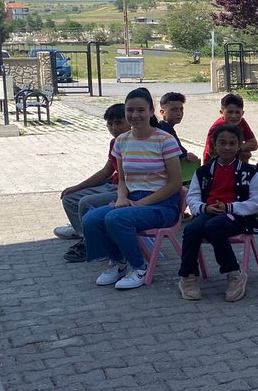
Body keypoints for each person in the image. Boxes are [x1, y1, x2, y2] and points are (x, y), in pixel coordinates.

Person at [82, 87, 184, 290]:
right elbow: (122, 180)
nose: (135, 115)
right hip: (132, 201)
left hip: (163, 205)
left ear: (151, 111)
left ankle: (139, 267)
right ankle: (119, 262)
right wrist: (121, 198)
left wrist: (139, 203)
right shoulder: (121, 141)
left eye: (140, 110)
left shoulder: (165, 140)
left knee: (116, 218)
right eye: (130, 110)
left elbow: (175, 184)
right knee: (91, 219)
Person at [178, 124, 258, 303]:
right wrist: (204, 208)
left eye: (232, 143)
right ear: (213, 145)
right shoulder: (202, 172)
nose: (227, 147)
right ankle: (188, 275)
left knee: (214, 226)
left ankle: (234, 273)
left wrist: (230, 207)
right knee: (192, 229)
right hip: (208, 212)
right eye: (222, 143)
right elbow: (192, 197)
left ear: (239, 145)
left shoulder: (249, 172)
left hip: (237, 216)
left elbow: (257, 201)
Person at [54, 103, 130, 262]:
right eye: (110, 124)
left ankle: (91, 244)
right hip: (112, 185)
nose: (114, 128)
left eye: (118, 123)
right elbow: (106, 171)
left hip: (126, 190)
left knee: (85, 202)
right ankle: (85, 235)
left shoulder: (135, 142)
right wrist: (78, 186)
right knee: (70, 197)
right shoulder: (114, 143)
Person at [202, 93, 258, 163]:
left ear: (242, 113)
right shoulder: (217, 127)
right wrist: (238, 150)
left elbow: (254, 144)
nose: (234, 116)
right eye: (230, 112)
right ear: (221, 112)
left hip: (234, 163)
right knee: (245, 153)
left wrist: (239, 149)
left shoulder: (242, 122)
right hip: (213, 165)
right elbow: (212, 152)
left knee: (245, 153)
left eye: (237, 112)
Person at [156, 91, 198, 163]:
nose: (179, 113)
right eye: (173, 109)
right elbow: (179, 153)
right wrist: (187, 155)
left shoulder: (163, 127)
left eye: (181, 109)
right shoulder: (165, 130)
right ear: (162, 112)